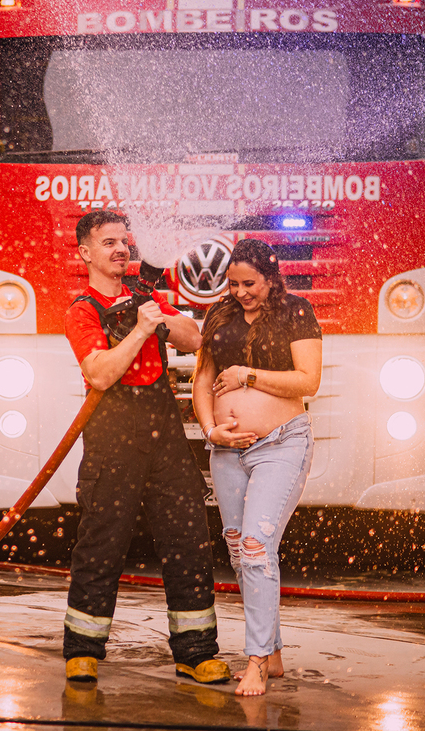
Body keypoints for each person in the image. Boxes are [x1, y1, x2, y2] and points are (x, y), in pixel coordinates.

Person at [62, 210, 230, 685]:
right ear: (86, 253)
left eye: (124, 242)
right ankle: (83, 650)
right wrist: (137, 329)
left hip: (165, 443)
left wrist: (156, 318)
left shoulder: (147, 298)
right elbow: (99, 373)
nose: (120, 249)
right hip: (113, 442)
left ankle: (196, 652)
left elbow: (195, 339)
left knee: (188, 542)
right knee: (102, 544)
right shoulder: (83, 310)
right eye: (108, 242)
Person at [191, 238, 323, 697]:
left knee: (254, 547)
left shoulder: (296, 312)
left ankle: (257, 663)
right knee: (236, 549)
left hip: (281, 444)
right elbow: (203, 378)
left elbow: (309, 381)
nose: (241, 292)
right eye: (233, 284)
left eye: (250, 284)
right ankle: (274, 649)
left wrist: (248, 375)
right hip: (227, 450)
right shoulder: (221, 314)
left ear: (271, 278)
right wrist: (211, 431)